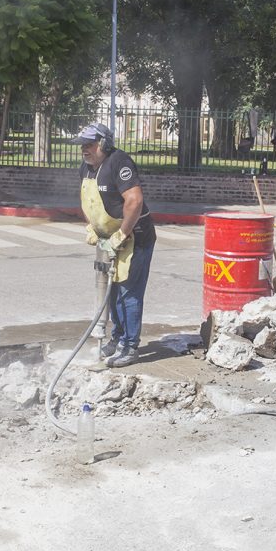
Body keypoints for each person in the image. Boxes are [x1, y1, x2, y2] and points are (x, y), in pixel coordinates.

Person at [72, 122, 156, 367]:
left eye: (89, 144)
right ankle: (118, 338)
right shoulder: (86, 169)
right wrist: (93, 228)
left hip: (135, 237)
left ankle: (130, 346)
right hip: (109, 238)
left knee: (128, 292)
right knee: (112, 290)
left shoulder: (119, 162)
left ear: (104, 143)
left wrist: (122, 234)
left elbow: (134, 201)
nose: (84, 150)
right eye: (82, 145)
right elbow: (88, 201)